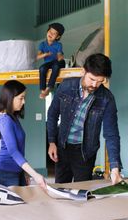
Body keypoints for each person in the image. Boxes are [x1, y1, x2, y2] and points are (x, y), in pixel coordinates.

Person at [47, 53, 123, 185]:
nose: (95, 85)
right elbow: (52, 114)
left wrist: (115, 168)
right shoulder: (66, 86)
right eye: (92, 79)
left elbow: (111, 135)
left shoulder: (107, 99)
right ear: (83, 71)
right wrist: (52, 142)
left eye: (100, 81)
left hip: (85, 153)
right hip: (62, 148)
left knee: (82, 193)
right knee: (61, 189)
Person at [0, 80, 46, 189]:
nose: (24, 102)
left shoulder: (12, 116)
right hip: (5, 172)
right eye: (21, 98)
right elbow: (13, 151)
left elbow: (19, 149)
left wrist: (24, 172)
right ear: (10, 98)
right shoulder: (4, 120)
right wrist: (35, 175)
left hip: (17, 169)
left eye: (24, 98)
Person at [37, 22, 66, 99]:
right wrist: (45, 54)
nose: (51, 34)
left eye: (54, 33)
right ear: (47, 31)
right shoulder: (42, 44)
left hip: (58, 62)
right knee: (42, 68)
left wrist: (60, 57)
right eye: (50, 31)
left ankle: (49, 87)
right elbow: (37, 57)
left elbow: (59, 54)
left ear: (57, 37)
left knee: (56, 66)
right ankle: (43, 90)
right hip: (49, 63)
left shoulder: (58, 44)